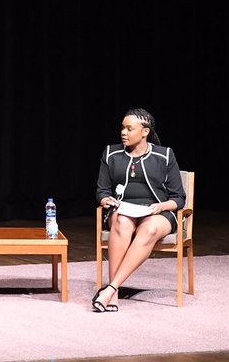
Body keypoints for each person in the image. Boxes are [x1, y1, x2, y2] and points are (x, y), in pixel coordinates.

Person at [93, 107, 186, 312]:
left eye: (129, 128)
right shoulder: (111, 153)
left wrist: (162, 206)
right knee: (121, 221)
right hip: (122, 208)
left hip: (157, 211)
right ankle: (114, 294)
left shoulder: (164, 155)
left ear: (145, 132)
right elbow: (101, 191)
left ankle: (110, 289)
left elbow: (179, 198)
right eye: (122, 128)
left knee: (150, 228)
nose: (123, 133)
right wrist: (105, 200)